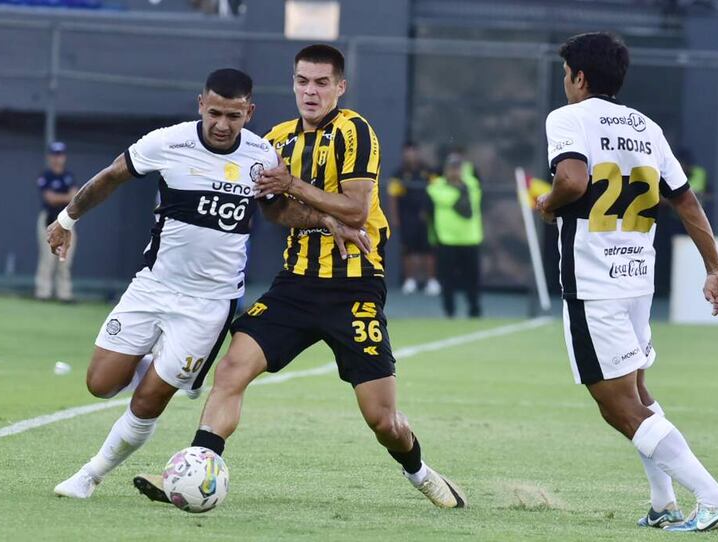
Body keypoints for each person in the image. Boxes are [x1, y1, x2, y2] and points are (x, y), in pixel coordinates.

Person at [134, 44, 466, 509]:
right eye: (303, 81)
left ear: (340, 87)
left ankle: (421, 472)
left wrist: (293, 185)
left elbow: (357, 207)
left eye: (321, 83)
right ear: (293, 83)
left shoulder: (356, 132)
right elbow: (274, 213)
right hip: (294, 284)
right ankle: (198, 465)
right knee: (231, 370)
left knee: (382, 419)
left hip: (354, 288)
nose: (310, 91)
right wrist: (296, 207)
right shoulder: (277, 139)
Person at [49, 68, 366, 499]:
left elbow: (276, 212)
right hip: (153, 286)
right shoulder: (167, 142)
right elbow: (111, 176)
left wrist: (327, 221)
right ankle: (163, 365)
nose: (221, 124)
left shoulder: (262, 156)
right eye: (214, 112)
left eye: (233, 116)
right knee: (100, 385)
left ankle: (89, 475)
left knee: (147, 402)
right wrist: (68, 218)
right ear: (200, 104)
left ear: (249, 112)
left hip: (209, 304)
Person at [536, 32, 718, 532]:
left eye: (566, 74)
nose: (565, 83)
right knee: (640, 392)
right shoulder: (646, 127)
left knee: (618, 405)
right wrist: (715, 267)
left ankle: (713, 497)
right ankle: (663, 503)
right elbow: (686, 201)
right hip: (636, 279)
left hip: (594, 284)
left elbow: (572, 181)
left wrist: (548, 205)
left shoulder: (568, 118)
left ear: (579, 78)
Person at [427, 152, 483, 318]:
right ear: (445, 169)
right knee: (447, 279)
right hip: (448, 239)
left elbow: (472, 195)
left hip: (470, 238)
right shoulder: (436, 186)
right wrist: (458, 188)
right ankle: (449, 310)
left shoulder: (472, 184)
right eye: (452, 168)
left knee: (472, 279)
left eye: (458, 167)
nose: (455, 171)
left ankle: (474, 309)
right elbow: (448, 199)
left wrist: (461, 182)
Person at [388, 142, 440, 295]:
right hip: (407, 218)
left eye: (413, 151)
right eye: (407, 152)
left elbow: (437, 191)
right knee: (408, 250)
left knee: (428, 250)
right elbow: (393, 197)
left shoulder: (428, 171)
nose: (410, 155)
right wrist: (395, 217)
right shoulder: (398, 173)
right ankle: (410, 281)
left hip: (426, 218)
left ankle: (431, 281)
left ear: (418, 153)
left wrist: (431, 213)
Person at [35, 142, 78, 302]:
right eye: (54, 155)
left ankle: (64, 294)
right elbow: (50, 198)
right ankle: (43, 293)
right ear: (49, 157)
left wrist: (63, 198)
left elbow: (75, 198)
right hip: (49, 219)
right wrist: (65, 197)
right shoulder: (46, 175)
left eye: (60, 155)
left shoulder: (68, 176)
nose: (57, 158)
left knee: (65, 258)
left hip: (66, 221)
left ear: (64, 157)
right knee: (47, 257)